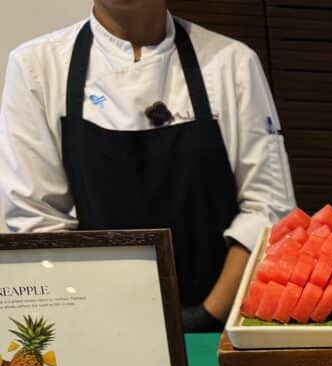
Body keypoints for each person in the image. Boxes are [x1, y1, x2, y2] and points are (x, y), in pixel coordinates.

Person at [0, 1, 296, 331]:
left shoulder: (233, 64)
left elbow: (269, 208)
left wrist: (206, 316)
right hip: (96, 325)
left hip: (221, 326)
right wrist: (103, 321)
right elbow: (37, 222)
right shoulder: (36, 67)